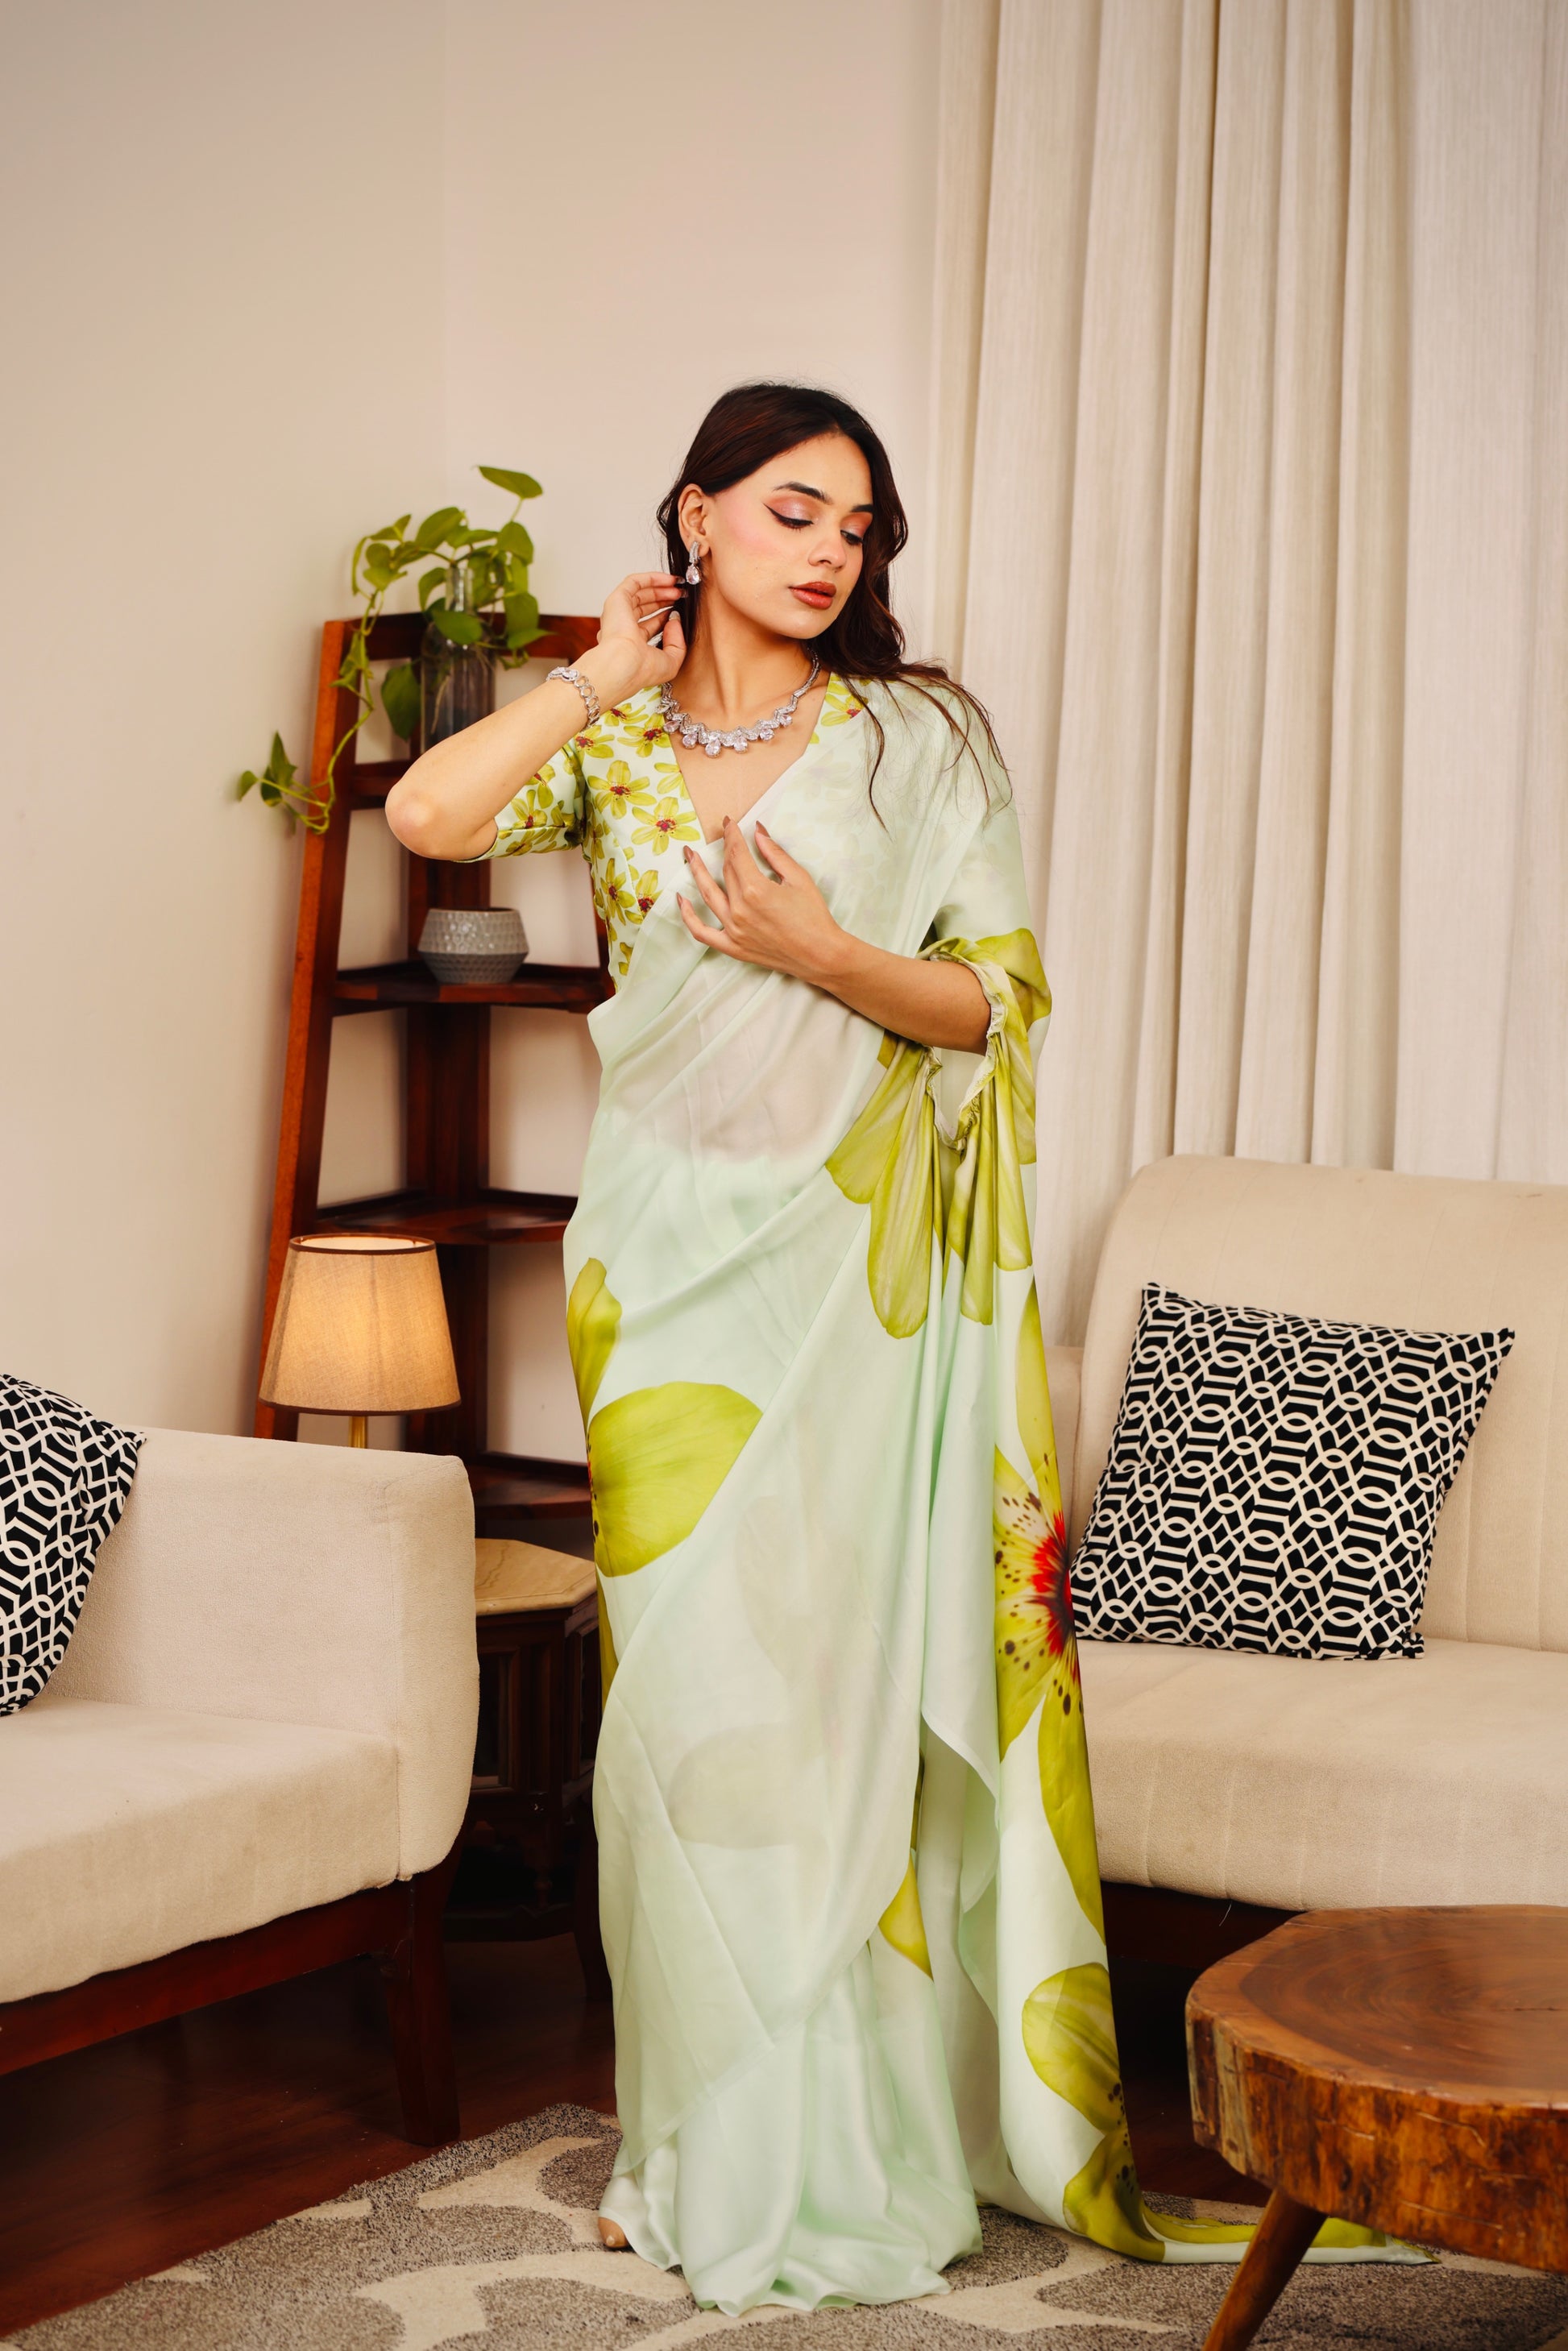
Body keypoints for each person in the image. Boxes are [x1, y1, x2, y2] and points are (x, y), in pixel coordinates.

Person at [386, 383, 1405, 2314]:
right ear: (695, 514)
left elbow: (992, 1005)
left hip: (859, 1291)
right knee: (686, 1724)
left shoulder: (918, 739)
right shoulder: (611, 745)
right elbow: (431, 815)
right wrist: (599, 670)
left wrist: (826, 955)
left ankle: (848, 2141)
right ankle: (704, 2142)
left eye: (857, 524)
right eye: (792, 508)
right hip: (662, 1282)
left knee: (834, 1708)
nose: (830, 549)